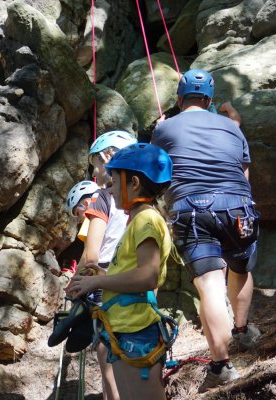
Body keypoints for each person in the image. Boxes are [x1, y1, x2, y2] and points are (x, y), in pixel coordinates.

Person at [151, 68, 261, 392]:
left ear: (179, 99)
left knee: (210, 283)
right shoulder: (233, 127)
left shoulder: (165, 127)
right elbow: (244, 176)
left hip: (191, 210)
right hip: (238, 206)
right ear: (210, 99)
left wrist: (160, 132)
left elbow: (157, 173)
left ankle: (222, 366)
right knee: (239, 267)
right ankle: (242, 330)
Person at [66, 143, 174, 400]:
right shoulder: (137, 219)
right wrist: (102, 277)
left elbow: (147, 276)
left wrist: (96, 284)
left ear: (134, 182)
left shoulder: (146, 220)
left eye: (113, 182)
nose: (109, 190)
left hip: (137, 332)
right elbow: (133, 271)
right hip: (124, 329)